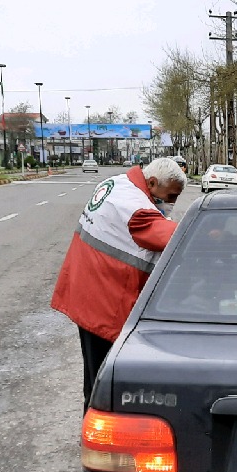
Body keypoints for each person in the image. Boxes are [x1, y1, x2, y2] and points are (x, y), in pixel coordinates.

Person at [52, 156, 187, 412]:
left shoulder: (117, 184)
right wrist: (212, 233)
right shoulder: (136, 208)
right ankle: (97, 437)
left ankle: (93, 426)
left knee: (95, 376)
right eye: (170, 196)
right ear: (152, 182)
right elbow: (172, 236)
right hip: (103, 300)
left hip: (88, 290)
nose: (170, 204)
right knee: (105, 382)